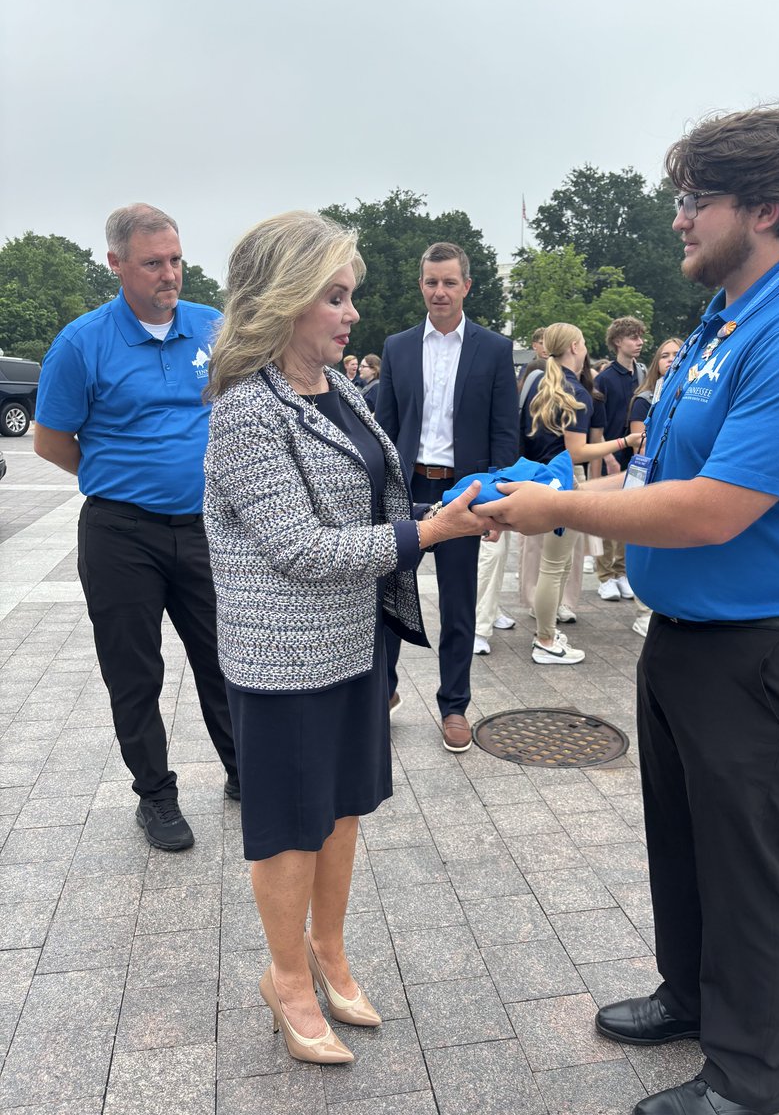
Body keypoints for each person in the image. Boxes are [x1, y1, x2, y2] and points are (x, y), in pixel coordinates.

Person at [480, 106, 779, 1115]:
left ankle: (748, 1081)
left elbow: (711, 510)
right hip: (695, 635)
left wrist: (557, 509)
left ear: (767, 207)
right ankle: (693, 996)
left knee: (748, 861)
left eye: (695, 198)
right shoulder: (727, 318)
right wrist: (545, 486)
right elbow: (657, 473)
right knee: (686, 835)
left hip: (773, 646)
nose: (678, 218)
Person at [203, 211, 491, 1065]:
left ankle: (328, 952)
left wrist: (454, 506)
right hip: (286, 656)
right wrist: (432, 534)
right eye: (334, 297)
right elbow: (298, 547)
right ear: (284, 299)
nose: (352, 313)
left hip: (356, 641)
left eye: (350, 296)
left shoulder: (339, 390)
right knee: (291, 824)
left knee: (341, 807)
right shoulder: (246, 411)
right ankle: (287, 977)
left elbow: (375, 501)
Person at [33, 203, 238, 852]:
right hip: (121, 534)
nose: (169, 274)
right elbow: (50, 441)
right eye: (153, 263)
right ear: (116, 264)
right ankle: (156, 795)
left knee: (224, 657)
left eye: (175, 259)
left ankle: (244, 771)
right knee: (134, 672)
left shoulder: (212, 327)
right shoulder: (82, 344)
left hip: (203, 527)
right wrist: (122, 476)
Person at [376, 242, 518, 752]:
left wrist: (495, 501)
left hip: (464, 490)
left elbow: (505, 432)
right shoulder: (397, 347)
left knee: (458, 603)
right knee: (392, 594)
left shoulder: (494, 349)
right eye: (432, 282)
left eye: (449, 282)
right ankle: (384, 691)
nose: (440, 291)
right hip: (407, 487)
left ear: (466, 286)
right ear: (422, 285)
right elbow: (385, 427)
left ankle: (454, 705)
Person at [522, 322, 642, 664]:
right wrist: (625, 441)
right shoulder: (575, 391)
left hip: (537, 478)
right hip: (562, 482)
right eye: (584, 342)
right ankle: (545, 640)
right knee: (554, 565)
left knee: (554, 564)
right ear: (575, 347)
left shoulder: (538, 382)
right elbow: (576, 452)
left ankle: (546, 632)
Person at [627, 339, 683, 636]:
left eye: (677, 353)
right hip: (650, 479)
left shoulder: (692, 391)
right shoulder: (646, 397)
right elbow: (642, 446)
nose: (671, 359)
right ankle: (643, 610)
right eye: (665, 355)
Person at [596, 315, 646, 601]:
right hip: (610, 453)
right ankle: (605, 575)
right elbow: (596, 425)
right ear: (617, 341)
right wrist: (608, 455)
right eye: (633, 337)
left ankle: (621, 571)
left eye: (640, 337)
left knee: (629, 514)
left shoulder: (641, 374)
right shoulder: (604, 379)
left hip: (634, 455)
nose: (639, 342)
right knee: (606, 515)